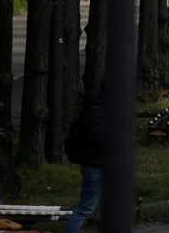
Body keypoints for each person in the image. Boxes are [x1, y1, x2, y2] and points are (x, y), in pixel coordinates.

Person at [64, 89, 106, 233]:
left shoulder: (98, 110)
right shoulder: (97, 112)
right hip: (97, 167)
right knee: (84, 209)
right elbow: (99, 139)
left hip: (98, 165)